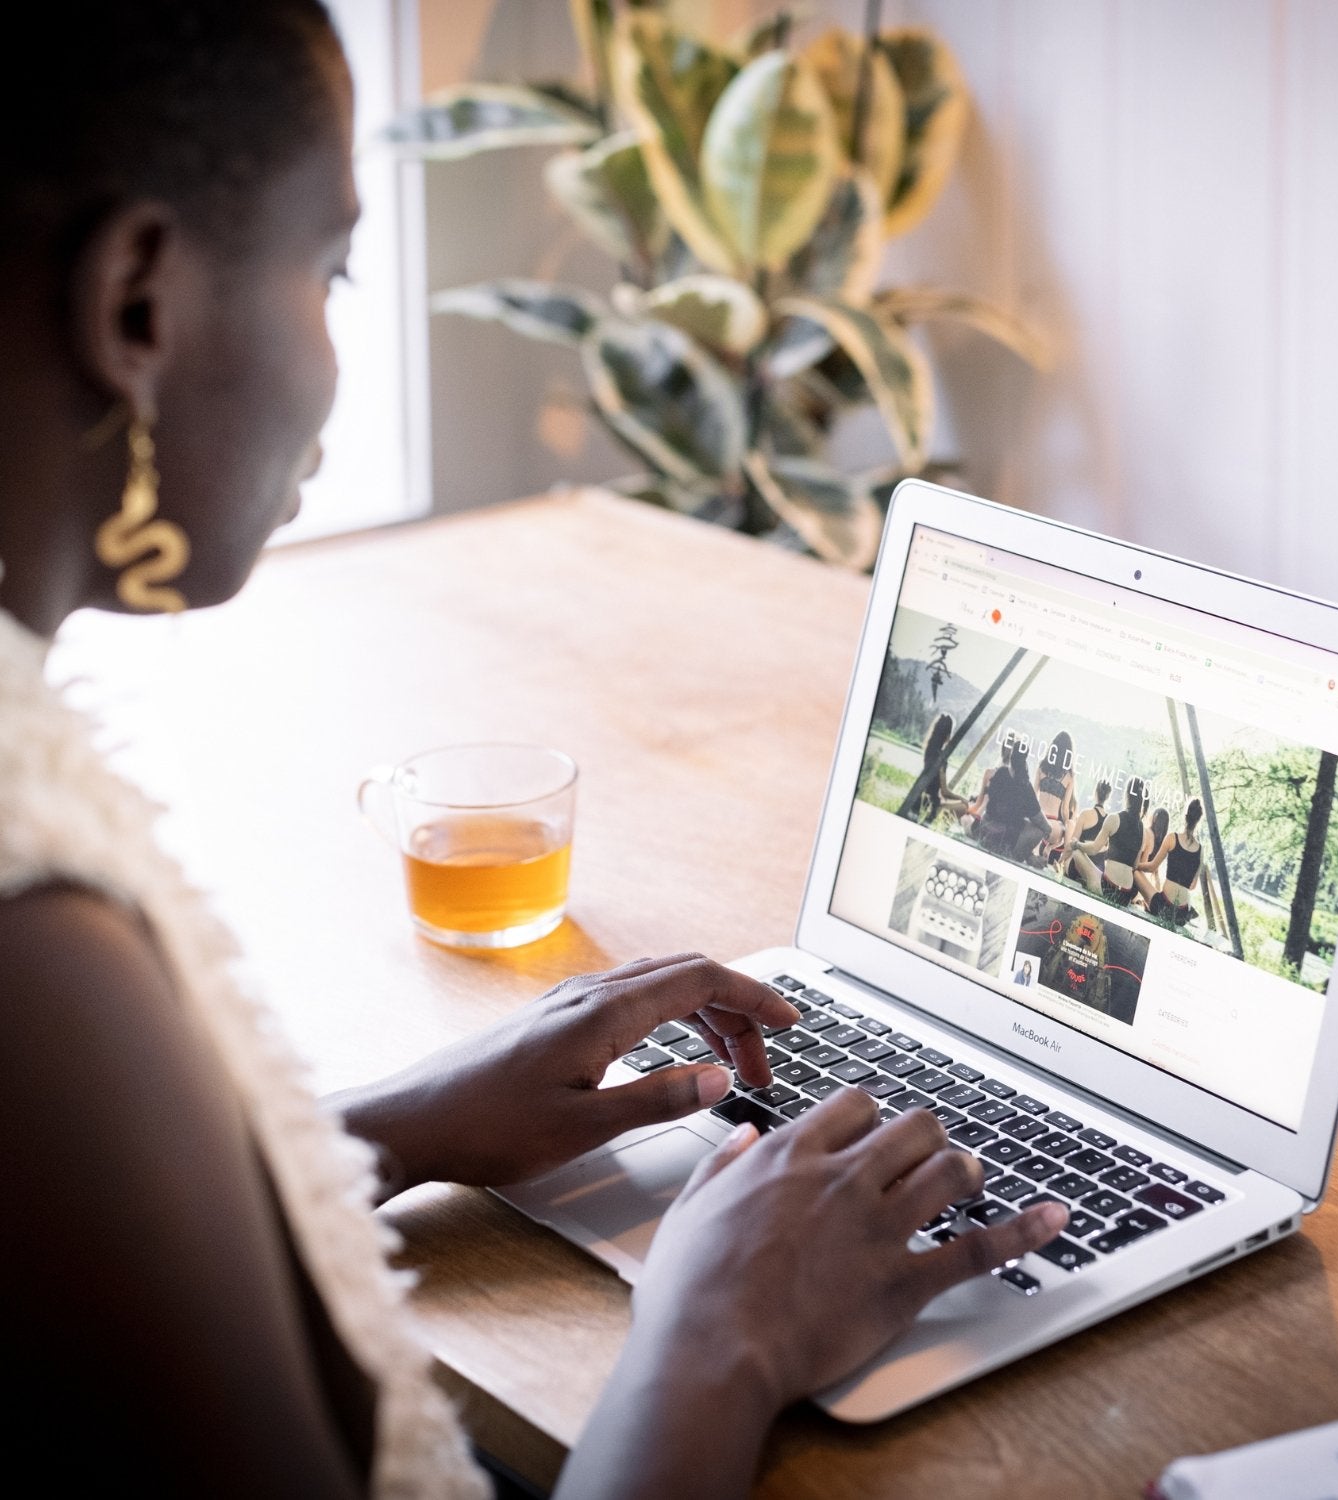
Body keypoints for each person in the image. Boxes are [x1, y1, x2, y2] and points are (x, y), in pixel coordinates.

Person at [0, 6, 1065, 1495]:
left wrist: (383, 1128)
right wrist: (722, 1336)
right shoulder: (38, 958)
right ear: (135, 303)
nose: (335, 350)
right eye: (332, 267)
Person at [1076, 777, 1148, 906]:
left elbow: (1093, 849)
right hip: (1125, 896)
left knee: (1076, 852)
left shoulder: (1114, 818)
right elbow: (1135, 865)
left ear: (1126, 795)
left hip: (1108, 889)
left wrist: (1077, 844)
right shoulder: (1142, 829)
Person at [1140, 798, 1205, 926]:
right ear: (1198, 820)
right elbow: (1192, 886)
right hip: (1182, 914)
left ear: (1185, 816)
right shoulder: (1201, 850)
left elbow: (1151, 867)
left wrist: (1136, 865)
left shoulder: (1172, 838)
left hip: (1163, 906)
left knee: (1136, 872)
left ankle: (1140, 901)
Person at [914, 710, 968, 824]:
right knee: (964, 806)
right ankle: (938, 821)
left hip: (919, 800)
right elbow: (944, 792)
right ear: (948, 735)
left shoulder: (929, 751)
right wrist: (962, 798)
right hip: (933, 805)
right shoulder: (941, 759)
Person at [1033, 730, 1077, 860]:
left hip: (1036, 820)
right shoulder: (1069, 776)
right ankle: (1050, 848)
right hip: (1053, 827)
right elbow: (1064, 809)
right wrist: (1068, 821)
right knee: (1069, 827)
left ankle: (1039, 847)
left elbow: (1033, 795)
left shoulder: (1042, 767)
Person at [1065, 778, 1113, 892]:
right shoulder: (1110, 820)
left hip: (1078, 867)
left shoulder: (1085, 814)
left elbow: (1072, 843)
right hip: (1098, 868)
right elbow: (1107, 849)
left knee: (1069, 858)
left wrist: (1063, 859)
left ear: (1095, 793)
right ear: (1108, 797)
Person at [1133, 806, 1171, 905]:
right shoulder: (1161, 843)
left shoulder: (1147, 833)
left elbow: (1140, 866)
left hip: (1134, 882)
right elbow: (1156, 875)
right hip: (1142, 886)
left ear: (1154, 818)